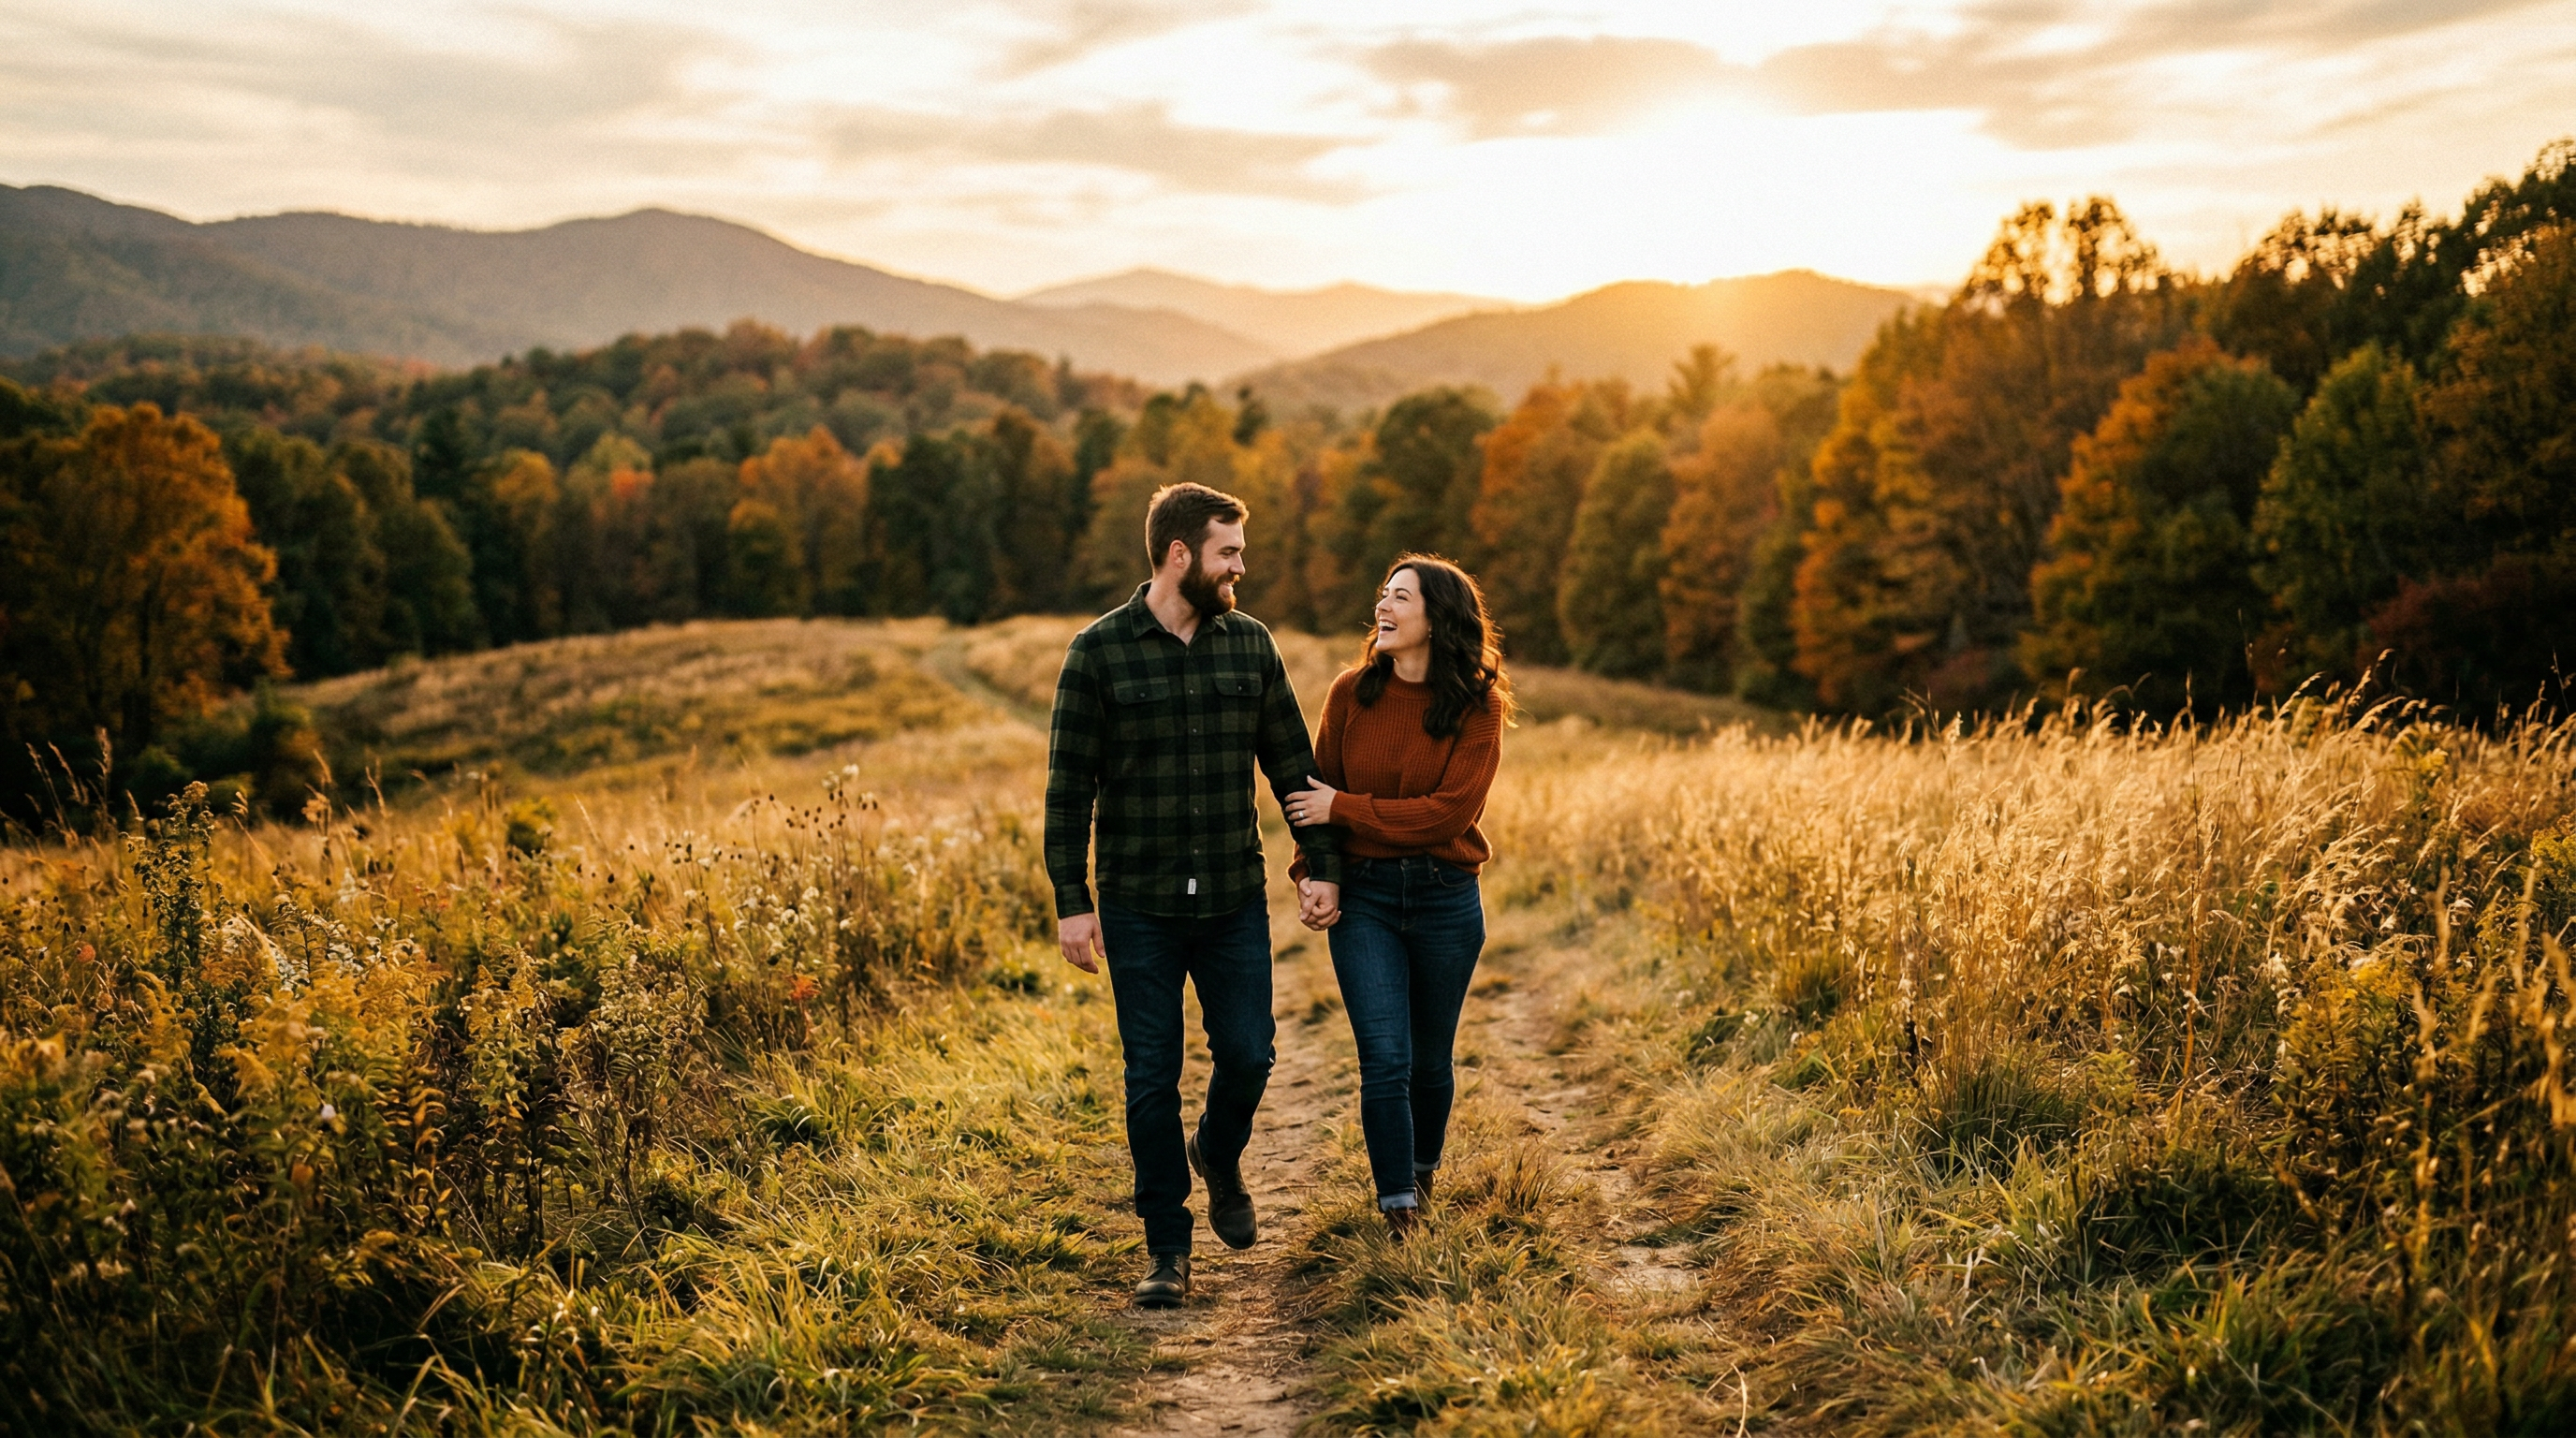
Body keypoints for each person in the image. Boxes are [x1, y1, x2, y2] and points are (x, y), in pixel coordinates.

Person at [1046, 481, 1343, 1309]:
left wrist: (1320, 864)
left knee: (1249, 1053)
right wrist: (1073, 901)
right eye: (1229, 552)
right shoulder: (1096, 653)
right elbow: (1068, 790)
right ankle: (1167, 1252)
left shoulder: (1250, 647)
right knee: (1152, 1077)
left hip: (1229, 899)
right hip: (1137, 903)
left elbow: (1294, 767)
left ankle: (1218, 1150)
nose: (1241, 566)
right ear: (1181, 555)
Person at [1282, 554, 1510, 1238]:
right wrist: (1312, 872)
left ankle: (1423, 1169)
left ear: (1437, 620)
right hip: (1368, 899)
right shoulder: (1351, 692)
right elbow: (1309, 797)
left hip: (1446, 897)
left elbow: (1445, 815)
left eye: (1400, 597)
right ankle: (1398, 1206)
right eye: (1383, 593)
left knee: (1431, 1058)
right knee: (1385, 1056)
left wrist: (1345, 810)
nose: (1383, 606)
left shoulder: (1479, 705)